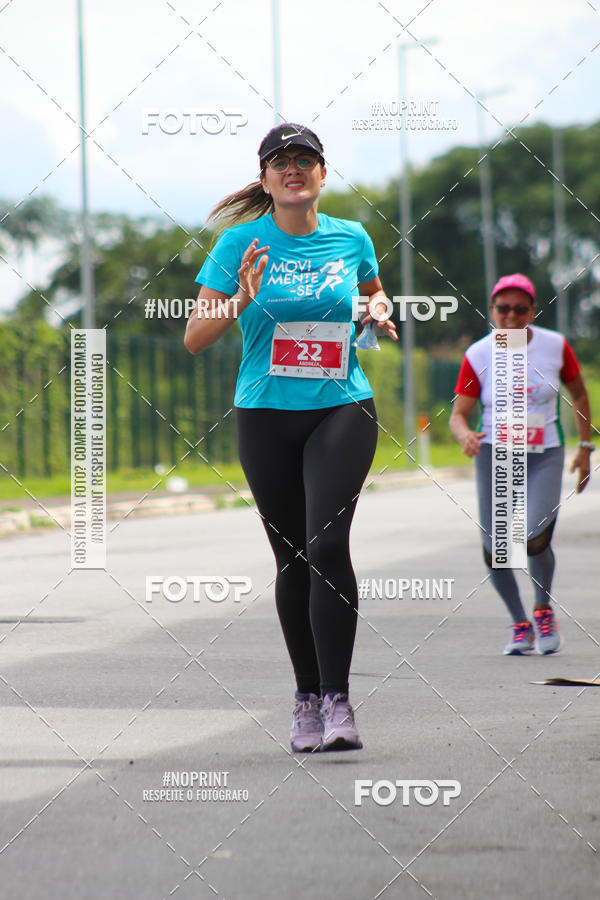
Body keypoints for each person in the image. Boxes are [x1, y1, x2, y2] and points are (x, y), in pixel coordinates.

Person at [184, 123, 397, 751]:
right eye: (280, 161)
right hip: (266, 414)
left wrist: (378, 313)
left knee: (327, 543)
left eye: (305, 159)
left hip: (342, 405)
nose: (293, 169)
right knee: (293, 558)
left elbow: (373, 293)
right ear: (266, 178)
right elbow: (195, 339)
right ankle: (305, 697)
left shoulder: (351, 236)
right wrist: (241, 298)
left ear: (323, 175)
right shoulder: (238, 244)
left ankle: (338, 701)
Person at [450, 273, 594, 655]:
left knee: (532, 537)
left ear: (532, 311)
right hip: (495, 455)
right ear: (492, 310)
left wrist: (584, 446)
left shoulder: (554, 346)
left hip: (545, 454)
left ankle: (543, 609)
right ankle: (520, 623)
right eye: (503, 309)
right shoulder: (478, 354)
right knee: (497, 549)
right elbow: (458, 413)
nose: (511, 316)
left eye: (520, 309)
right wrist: (463, 433)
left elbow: (578, 394)